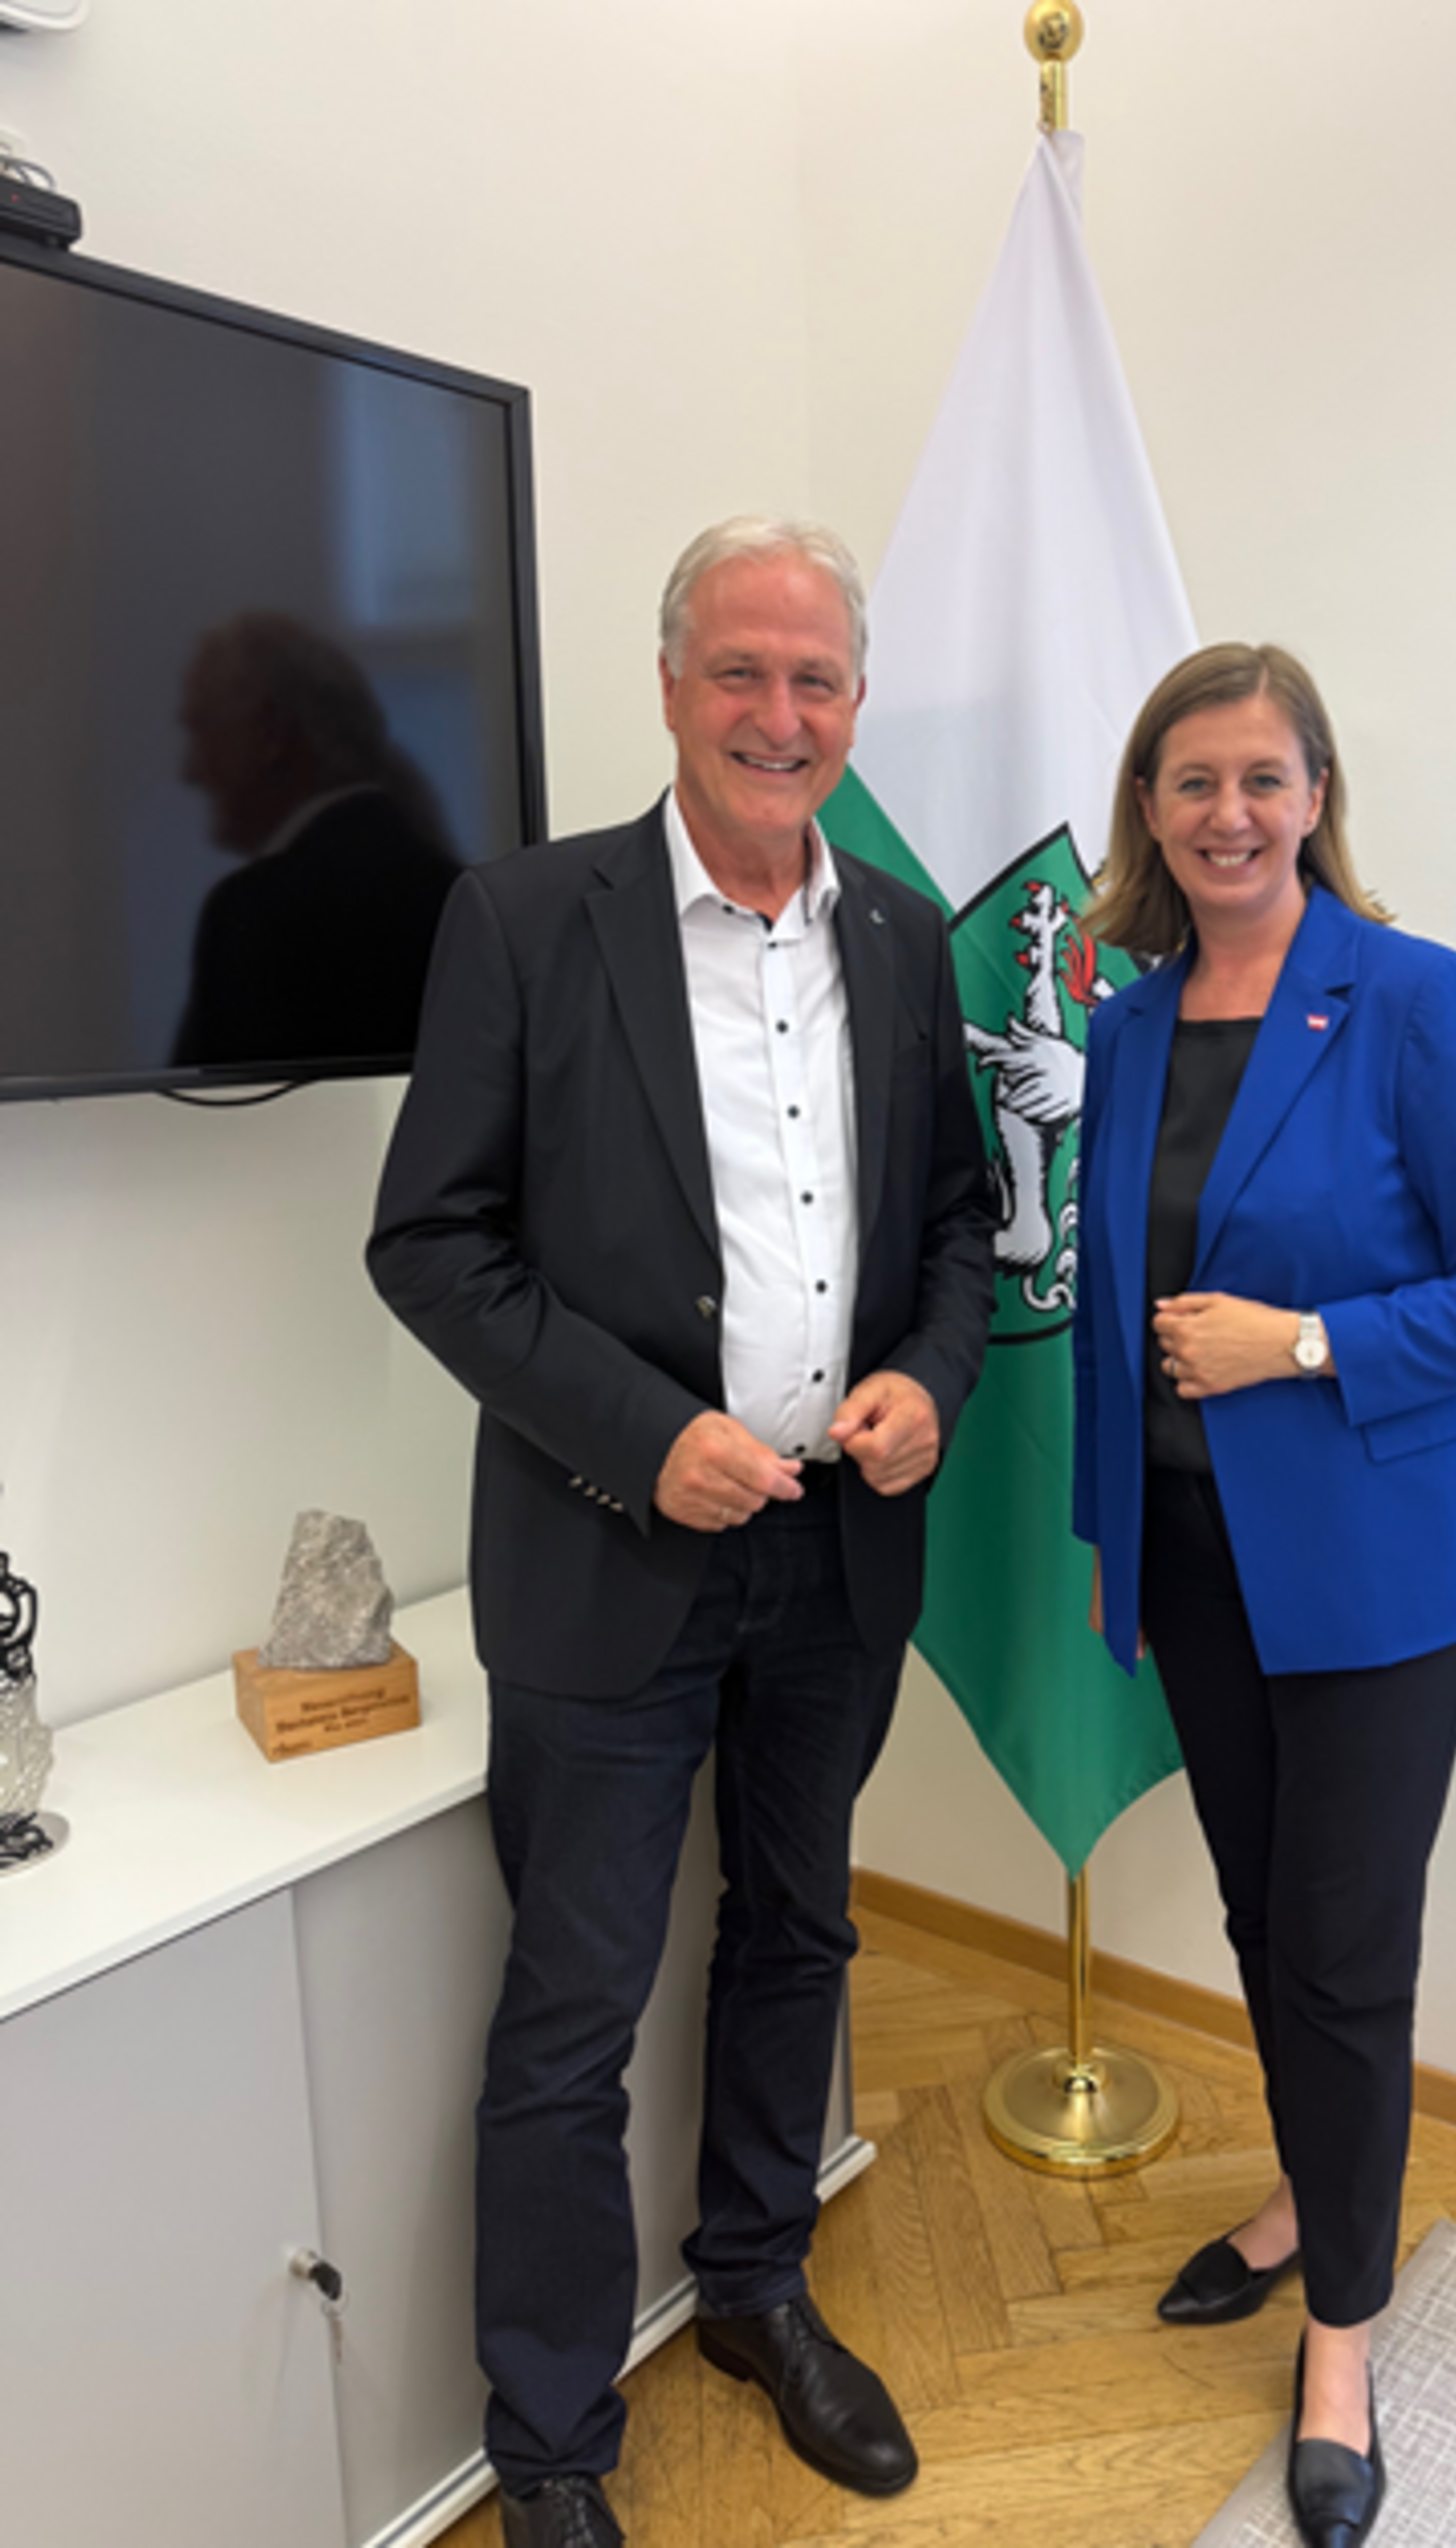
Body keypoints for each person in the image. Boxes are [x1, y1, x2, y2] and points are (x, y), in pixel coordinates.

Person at [367, 518, 996, 2548]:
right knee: (574, 2007)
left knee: (799, 1933)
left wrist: (930, 1376)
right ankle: (552, 2448)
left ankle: (753, 2287)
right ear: (667, 685)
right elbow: (431, 1243)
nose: (778, 713)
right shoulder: (522, 919)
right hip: (604, 1556)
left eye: (815, 679)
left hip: (838, 1556)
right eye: (741, 670)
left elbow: (960, 1226)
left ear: (854, 705)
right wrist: (648, 1440)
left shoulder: (902, 934)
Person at [1071, 643, 1456, 2548]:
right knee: (1264, 1913)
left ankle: (1345, 2340)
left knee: (1345, 1948)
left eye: (1262, 779)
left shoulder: (1415, 998)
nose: (1229, 813)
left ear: (1315, 798)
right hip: (1198, 1556)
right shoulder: (1128, 1026)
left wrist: (1299, 1338)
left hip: (1383, 1574)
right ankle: (1312, 2188)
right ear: (1148, 808)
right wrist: (1108, 1528)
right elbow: (1111, 1312)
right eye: (1192, 780)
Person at [172, 613, 461, 1068]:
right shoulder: (457, 893)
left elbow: (205, 1110)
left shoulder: (253, 913)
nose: (189, 771)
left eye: (202, 729)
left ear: (270, 732)